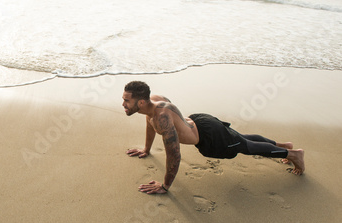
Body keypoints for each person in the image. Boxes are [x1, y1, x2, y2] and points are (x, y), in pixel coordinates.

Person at [122, 81, 305, 195]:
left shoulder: (161, 117)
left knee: (246, 146)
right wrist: (146, 150)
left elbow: (174, 155)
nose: (123, 104)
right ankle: (284, 145)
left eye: (126, 101)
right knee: (241, 138)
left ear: (141, 102)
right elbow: (150, 125)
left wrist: (165, 185)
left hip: (210, 137)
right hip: (201, 121)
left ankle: (293, 154)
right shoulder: (153, 103)